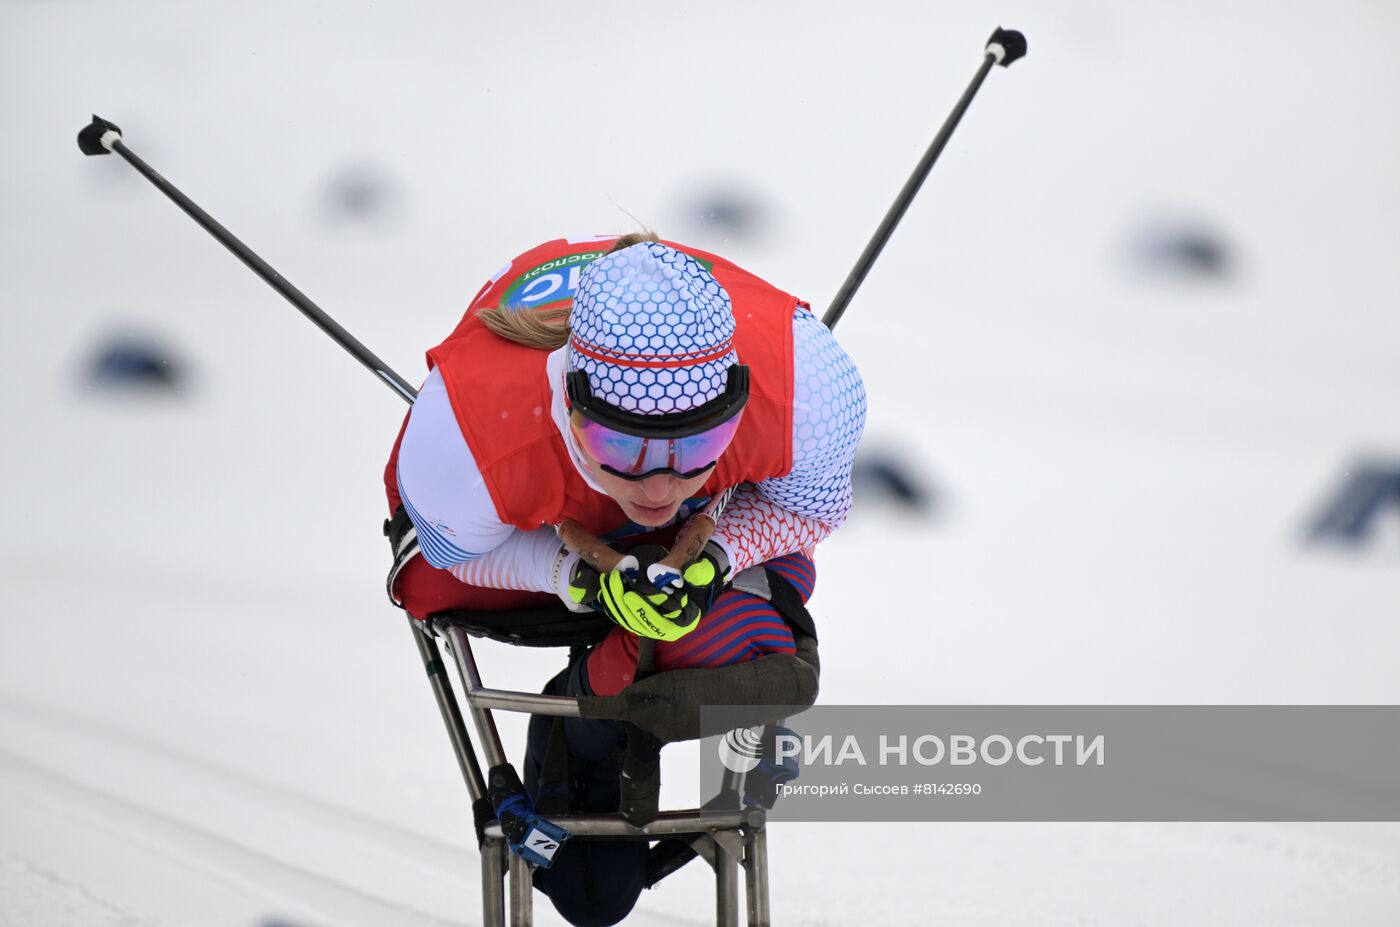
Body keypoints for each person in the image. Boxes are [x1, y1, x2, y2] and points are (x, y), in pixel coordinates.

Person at [382, 232, 865, 926]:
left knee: (755, 653)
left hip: (692, 531)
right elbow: (451, 554)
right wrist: (568, 571)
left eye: (697, 447)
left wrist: (718, 552)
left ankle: (597, 706)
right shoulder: (466, 434)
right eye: (620, 447)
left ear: (734, 404)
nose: (659, 488)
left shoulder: (807, 387)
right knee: (591, 892)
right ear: (573, 406)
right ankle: (595, 719)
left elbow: (812, 507)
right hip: (515, 539)